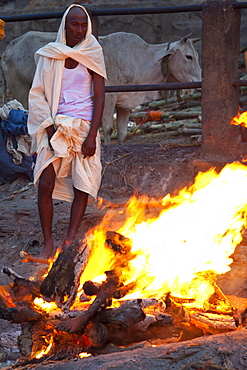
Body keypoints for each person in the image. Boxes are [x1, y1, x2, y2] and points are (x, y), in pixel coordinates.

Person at [27, 4, 107, 259]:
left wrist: (92, 134)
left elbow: (100, 96)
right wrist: (49, 129)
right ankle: (48, 243)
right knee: (45, 181)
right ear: (65, 25)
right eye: (74, 24)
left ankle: (69, 240)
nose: (79, 30)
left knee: (83, 185)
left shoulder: (93, 52)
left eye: (84, 25)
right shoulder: (50, 55)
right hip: (56, 125)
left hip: (84, 127)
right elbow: (37, 94)